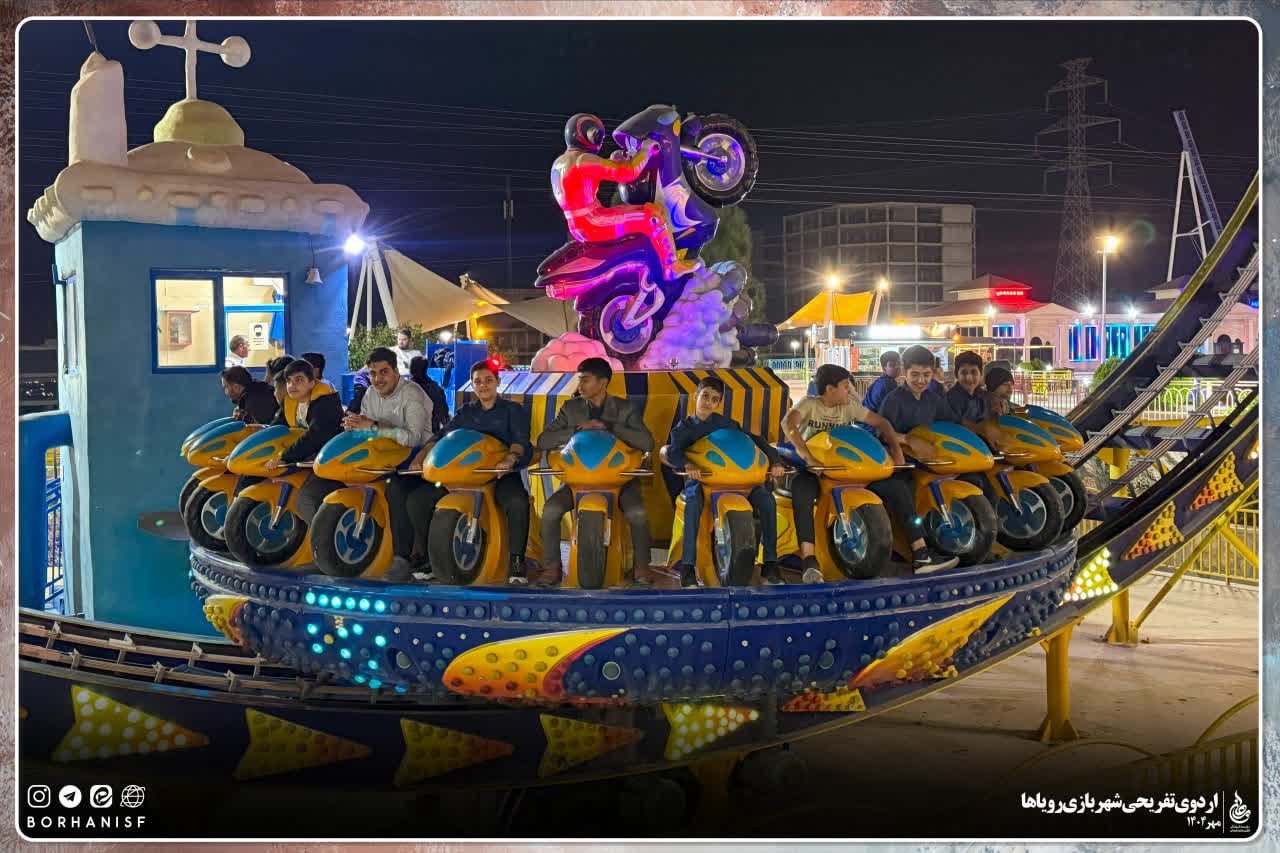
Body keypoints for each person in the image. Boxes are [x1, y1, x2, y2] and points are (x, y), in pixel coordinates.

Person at [781, 364, 930, 582]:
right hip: (818, 472)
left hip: (848, 472)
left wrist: (897, 451)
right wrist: (808, 458)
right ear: (830, 389)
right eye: (845, 387)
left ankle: (921, 551)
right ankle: (809, 560)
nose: (849, 391)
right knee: (802, 492)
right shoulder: (809, 404)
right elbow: (788, 423)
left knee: (897, 488)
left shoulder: (849, 407)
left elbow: (882, 423)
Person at [404, 361, 532, 583]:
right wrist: (421, 456)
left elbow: (521, 440)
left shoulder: (513, 410)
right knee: (417, 500)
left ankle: (517, 561)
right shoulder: (466, 412)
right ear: (472, 385)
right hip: (463, 475)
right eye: (478, 381)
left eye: (488, 380)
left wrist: (510, 459)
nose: (483, 385)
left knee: (517, 502)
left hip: (497, 473)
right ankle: (428, 557)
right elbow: (442, 436)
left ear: (498, 382)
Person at [536, 357, 654, 587]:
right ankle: (551, 568)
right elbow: (544, 440)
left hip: (619, 481)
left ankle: (642, 565)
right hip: (578, 481)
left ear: (603, 383)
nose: (580, 386)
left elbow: (647, 442)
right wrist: (576, 429)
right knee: (550, 510)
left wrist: (611, 427)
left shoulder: (625, 409)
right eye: (579, 380)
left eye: (585, 380)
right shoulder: (570, 409)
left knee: (637, 513)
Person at [552, 113, 701, 281]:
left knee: (635, 213)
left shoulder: (561, 162)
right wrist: (646, 151)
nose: (600, 142)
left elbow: (592, 175)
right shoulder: (582, 160)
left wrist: (615, 160)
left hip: (578, 225)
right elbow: (627, 173)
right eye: (599, 136)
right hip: (593, 222)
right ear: (588, 134)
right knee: (653, 215)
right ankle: (672, 266)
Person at [668, 376, 785, 588]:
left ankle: (770, 563)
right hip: (704, 482)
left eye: (714, 399)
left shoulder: (727, 424)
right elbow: (673, 452)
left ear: (719, 404)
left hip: (740, 483)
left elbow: (755, 440)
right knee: (692, 505)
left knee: (768, 502)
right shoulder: (683, 428)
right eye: (705, 396)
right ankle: (687, 566)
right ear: (695, 396)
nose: (708, 402)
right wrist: (687, 465)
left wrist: (775, 461)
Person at [343, 347, 434, 582]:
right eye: (373, 374)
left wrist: (374, 426)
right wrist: (355, 426)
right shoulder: (370, 394)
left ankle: (402, 557)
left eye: (384, 372)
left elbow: (413, 438)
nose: (378, 379)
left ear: (395, 372)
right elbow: (367, 429)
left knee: (396, 489)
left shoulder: (411, 393)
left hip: (417, 461)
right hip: (382, 457)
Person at [263, 359, 345, 523]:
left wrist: (285, 457)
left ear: (312, 382)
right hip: (306, 458)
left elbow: (315, 436)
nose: (292, 385)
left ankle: (322, 538)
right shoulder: (290, 402)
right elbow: (274, 430)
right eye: (289, 381)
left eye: (299, 380)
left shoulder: (325, 401)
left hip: (332, 460)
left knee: (305, 499)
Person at [409, 355, 451, 434]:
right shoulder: (436, 388)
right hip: (433, 434)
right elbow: (444, 413)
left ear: (412, 369)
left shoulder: (406, 388)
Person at [946, 351, 989, 425]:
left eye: (974, 372)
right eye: (964, 373)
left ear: (981, 373)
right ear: (956, 374)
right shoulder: (950, 400)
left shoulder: (981, 395)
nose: (969, 378)